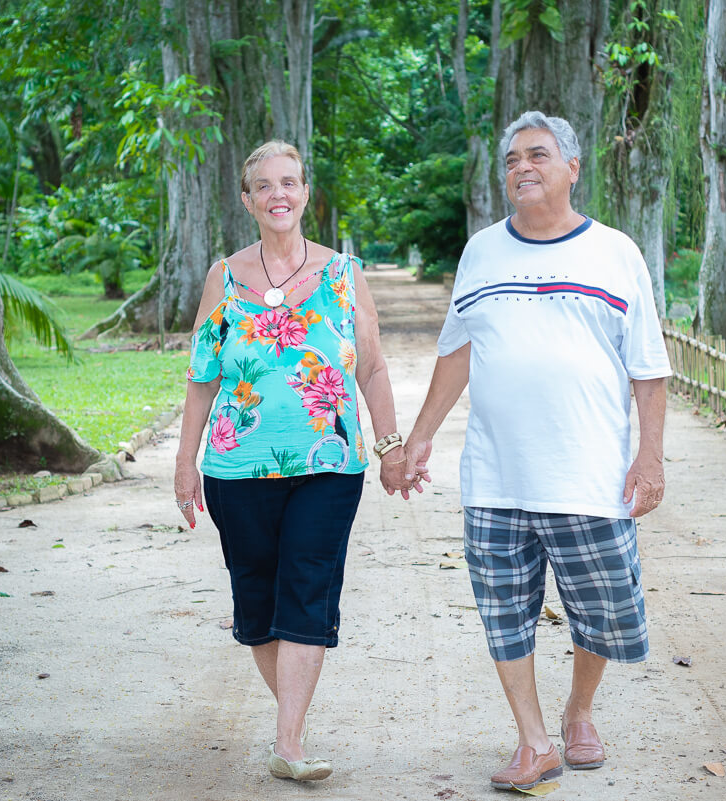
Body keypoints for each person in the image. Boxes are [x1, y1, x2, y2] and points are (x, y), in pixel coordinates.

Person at [402, 111, 671, 790]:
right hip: (495, 477)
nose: (523, 166)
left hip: (587, 476)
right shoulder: (482, 252)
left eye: (539, 155)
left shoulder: (615, 252)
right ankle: (533, 741)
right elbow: (457, 350)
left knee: (599, 607)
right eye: (514, 158)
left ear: (572, 168)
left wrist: (651, 456)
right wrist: (422, 433)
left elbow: (648, 367)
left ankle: (580, 711)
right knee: (503, 612)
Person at [173, 141, 420, 782]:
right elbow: (203, 374)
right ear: (249, 199)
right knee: (257, 603)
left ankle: (288, 743)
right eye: (264, 185)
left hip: (330, 463)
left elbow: (370, 364)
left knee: (308, 585)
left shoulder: (343, 274)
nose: (277, 194)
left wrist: (391, 449)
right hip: (235, 466)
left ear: (306, 192)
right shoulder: (223, 277)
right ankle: (294, 724)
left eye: (289, 182)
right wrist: (184, 460)